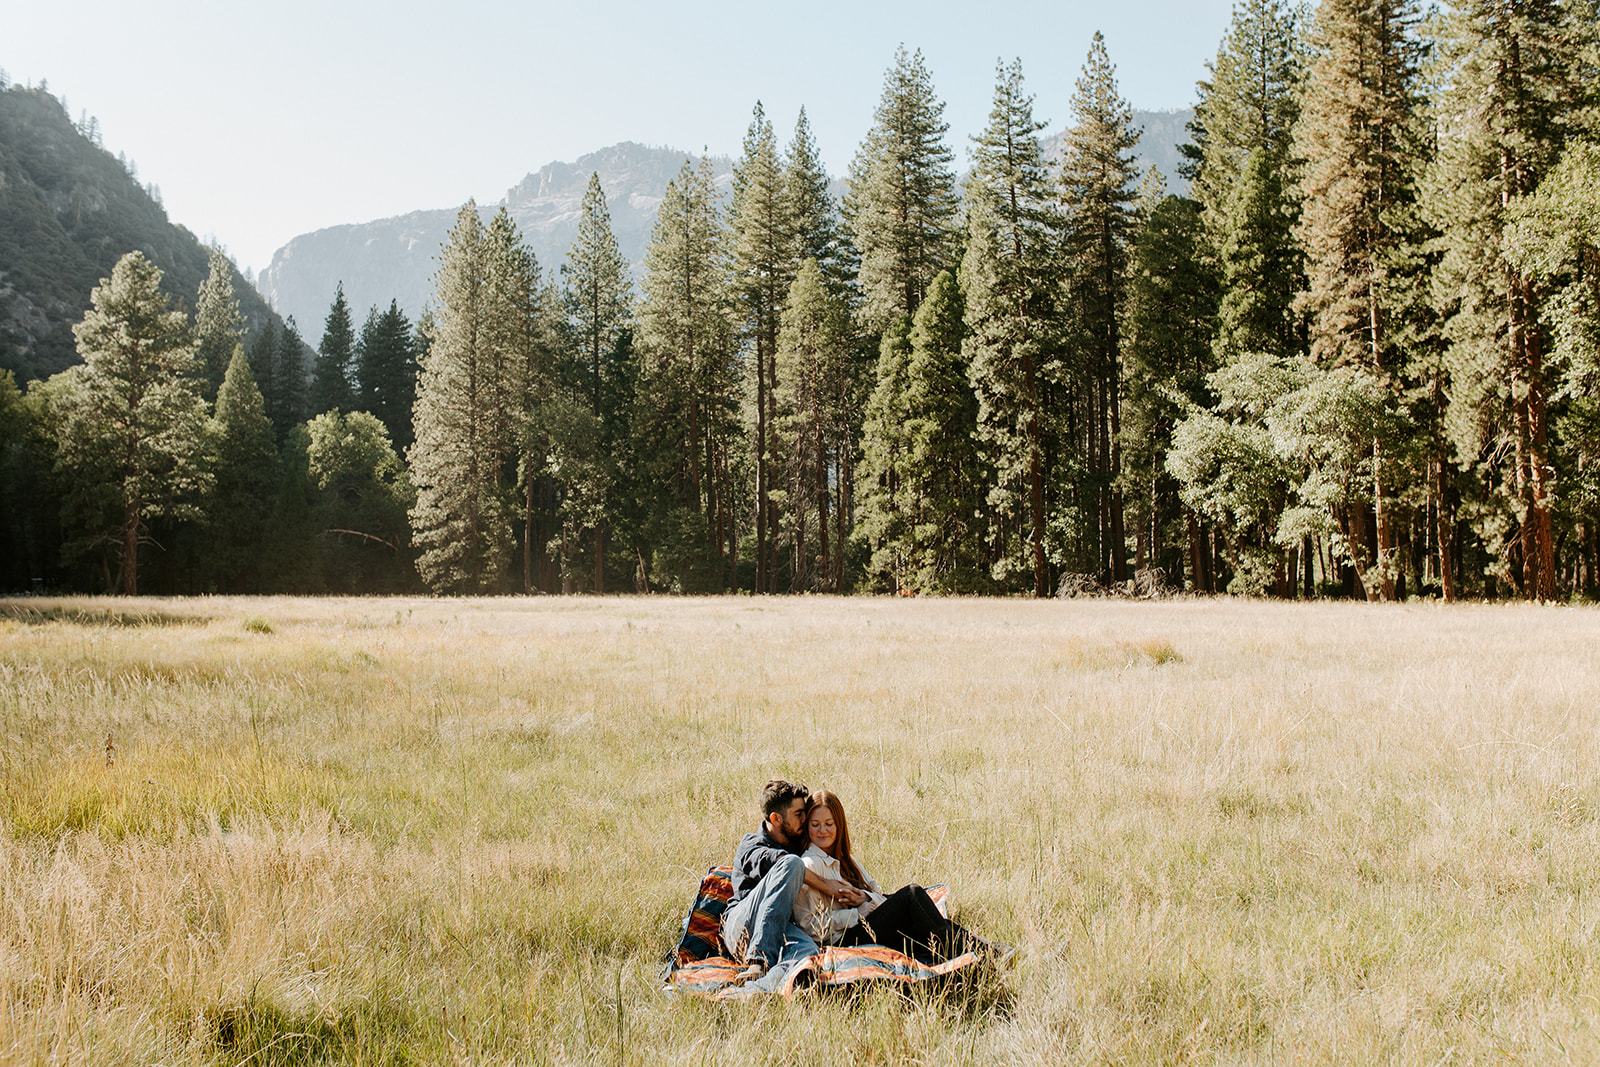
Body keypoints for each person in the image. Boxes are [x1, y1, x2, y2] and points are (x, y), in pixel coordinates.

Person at [792, 789, 994, 962]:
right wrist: (857, 913)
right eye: (815, 824)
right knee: (912, 894)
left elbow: (877, 893)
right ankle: (972, 954)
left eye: (829, 824)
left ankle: (989, 953)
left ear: (839, 825)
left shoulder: (845, 858)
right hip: (843, 939)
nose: (822, 831)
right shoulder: (810, 865)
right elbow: (810, 927)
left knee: (924, 921)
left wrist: (865, 898)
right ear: (807, 826)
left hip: (864, 924)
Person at [719, 779, 855, 987]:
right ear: (776, 818)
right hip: (743, 926)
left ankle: (755, 991)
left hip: (778, 928)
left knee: (807, 953)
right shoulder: (751, 845)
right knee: (792, 863)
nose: (805, 819)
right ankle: (759, 961)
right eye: (798, 815)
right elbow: (781, 863)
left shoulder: (797, 843)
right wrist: (827, 885)